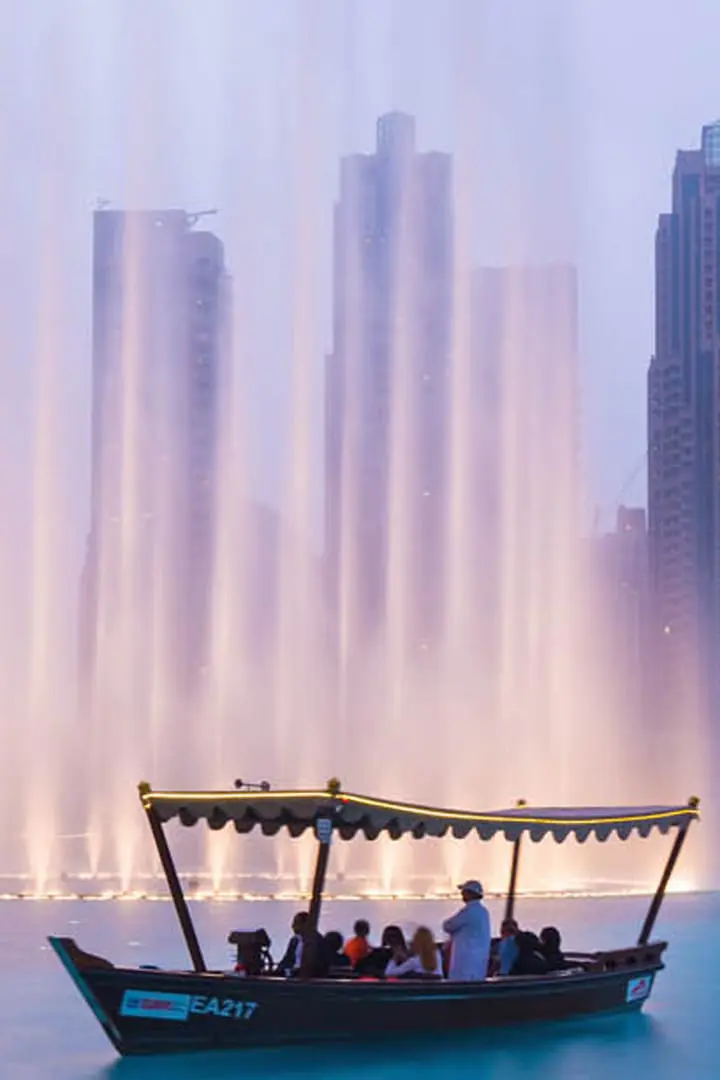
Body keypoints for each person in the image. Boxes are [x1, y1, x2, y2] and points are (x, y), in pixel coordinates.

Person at [442, 880, 491, 981]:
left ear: (470, 893)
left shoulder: (468, 911)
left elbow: (448, 926)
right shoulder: (483, 911)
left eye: (464, 891)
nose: (462, 894)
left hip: (465, 962)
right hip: (478, 961)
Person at [275, 911, 308, 976]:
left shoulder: (316, 942)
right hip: (291, 974)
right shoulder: (294, 941)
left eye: (296, 923)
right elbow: (286, 959)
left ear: (305, 924)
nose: (292, 926)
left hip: (302, 976)